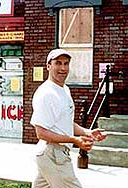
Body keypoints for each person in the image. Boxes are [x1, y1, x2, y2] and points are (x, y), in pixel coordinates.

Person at [30, 48, 107, 188]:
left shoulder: (64, 89)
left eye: (66, 63)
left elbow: (64, 123)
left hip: (54, 154)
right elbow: (41, 133)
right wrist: (74, 140)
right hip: (53, 155)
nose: (62, 68)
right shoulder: (46, 93)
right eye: (58, 63)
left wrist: (87, 132)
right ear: (48, 66)